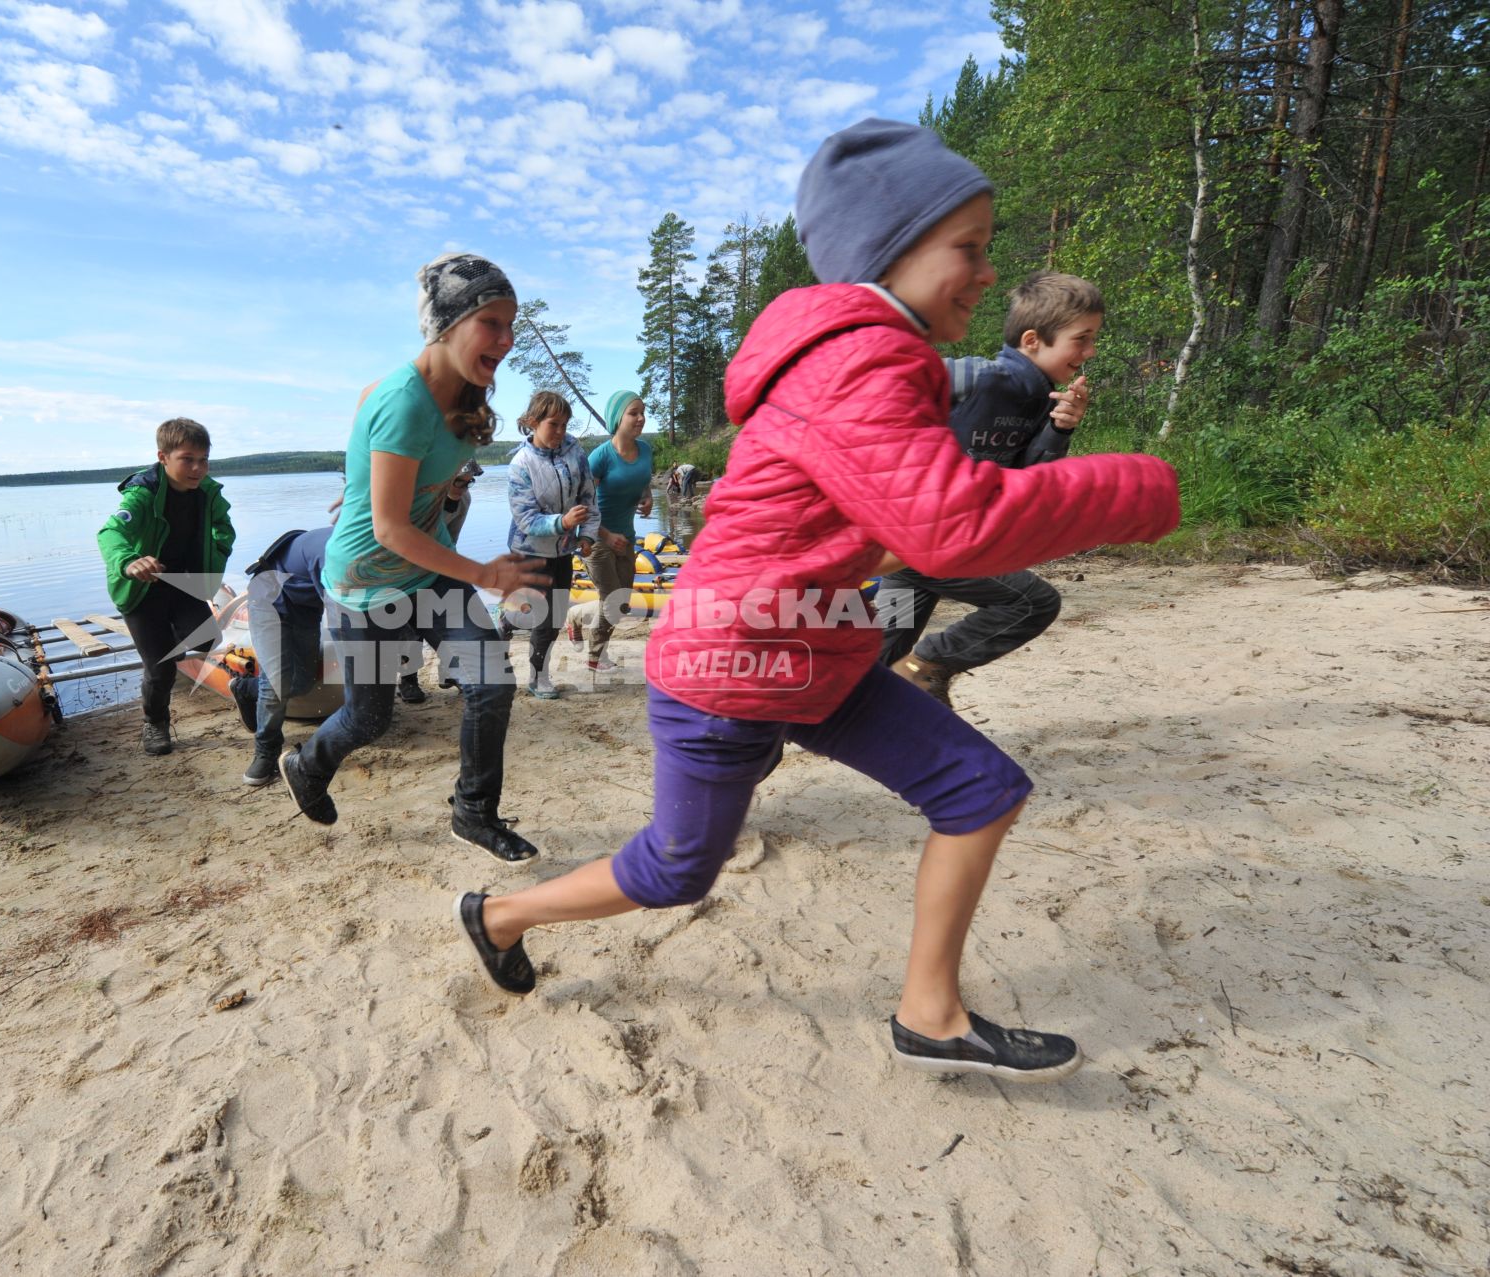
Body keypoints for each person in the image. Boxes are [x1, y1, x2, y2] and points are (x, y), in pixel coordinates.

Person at [453, 120, 1179, 1082]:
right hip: (727, 666)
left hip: (814, 659)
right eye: (966, 246)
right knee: (677, 870)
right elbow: (947, 527)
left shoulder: (875, 357)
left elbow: (918, 506)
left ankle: (932, 1012)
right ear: (896, 248)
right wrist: (1138, 490)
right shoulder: (859, 359)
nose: (981, 271)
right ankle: (497, 913)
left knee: (980, 790)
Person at [277, 252, 549, 862]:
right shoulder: (402, 398)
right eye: (492, 324)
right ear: (448, 324)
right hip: (365, 587)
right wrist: (485, 574)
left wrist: (444, 489)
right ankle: (306, 763)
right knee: (367, 720)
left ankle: (474, 814)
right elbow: (391, 527)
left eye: (512, 326)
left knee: (491, 683)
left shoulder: (465, 392)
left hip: (429, 572)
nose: (506, 341)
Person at [878, 271, 1102, 704]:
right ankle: (923, 670)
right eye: (1082, 338)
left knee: (872, 660)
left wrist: (1058, 430)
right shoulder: (979, 377)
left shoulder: (1042, 401)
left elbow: (1028, 480)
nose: (1090, 351)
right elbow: (888, 387)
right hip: (918, 534)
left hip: (930, 544)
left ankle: (773, 724)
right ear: (1034, 339)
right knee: (1032, 603)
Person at [230, 465, 479, 785]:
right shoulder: (346, 558)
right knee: (279, 681)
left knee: (301, 682)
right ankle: (266, 749)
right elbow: (348, 633)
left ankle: (246, 687)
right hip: (269, 596)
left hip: (303, 606)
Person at [97, 417, 236, 756]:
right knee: (159, 670)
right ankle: (154, 722)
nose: (197, 468)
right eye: (187, 459)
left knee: (208, 639)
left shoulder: (208, 492)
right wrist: (130, 561)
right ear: (163, 457)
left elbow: (224, 529)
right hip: (143, 589)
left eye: (203, 459)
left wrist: (213, 560)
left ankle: (169, 638)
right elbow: (110, 533)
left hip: (184, 583)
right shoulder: (141, 494)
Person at [504, 391, 599, 699]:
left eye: (565, 424)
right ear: (533, 422)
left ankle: (535, 672)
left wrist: (586, 535)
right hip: (528, 552)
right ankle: (509, 633)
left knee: (554, 616)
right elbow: (526, 520)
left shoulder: (575, 451)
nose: (561, 431)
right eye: (553, 424)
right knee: (536, 615)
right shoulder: (520, 464)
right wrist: (563, 523)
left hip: (562, 551)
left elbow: (588, 499)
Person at [583, 391, 654, 674]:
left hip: (626, 536)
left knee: (621, 601)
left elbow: (644, 481)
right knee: (612, 598)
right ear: (617, 418)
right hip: (597, 538)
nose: (640, 418)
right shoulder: (600, 457)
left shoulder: (646, 450)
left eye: (642, 412)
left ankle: (576, 618)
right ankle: (595, 655)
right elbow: (582, 504)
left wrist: (647, 498)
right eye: (633, 412)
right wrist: (606, 535)